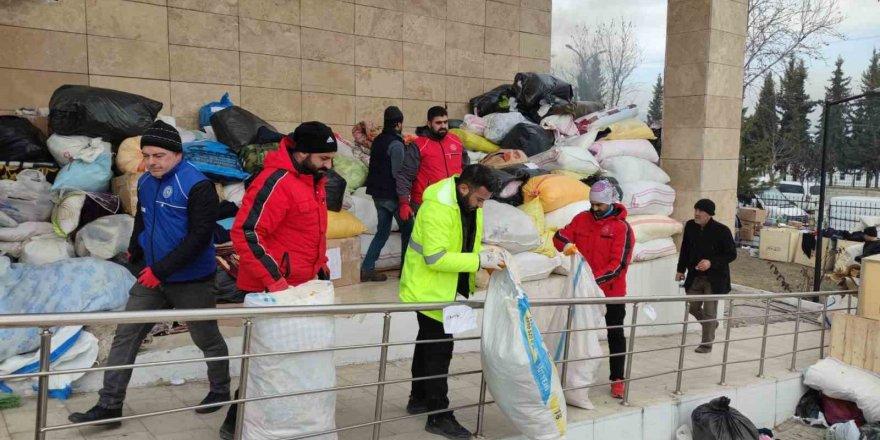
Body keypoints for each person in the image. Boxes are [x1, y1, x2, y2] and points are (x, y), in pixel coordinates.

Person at [69, 120, 230, 427]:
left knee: (206, 337)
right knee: (125, 336)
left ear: (177, 154)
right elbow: (141, 220)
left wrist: (160, 270)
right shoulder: (144, 182)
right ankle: (109, 406)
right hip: (152, 277)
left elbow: (199, 238)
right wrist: (136, 251)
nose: (152, 161)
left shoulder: (198, 186)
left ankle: (220, 390)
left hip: (191, 279)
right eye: (147, 155)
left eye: (159, 155)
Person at [219, 121, 337, 439]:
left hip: (300, 287)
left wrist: (321, 267)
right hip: (272, 289)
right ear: (301, 153)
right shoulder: (276, 180)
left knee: (280, 365)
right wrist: (275, 280)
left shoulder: (313, 181)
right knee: (264, 362)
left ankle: (269, 417)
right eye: (323, 158)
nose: (329, 165)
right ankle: (237, 422)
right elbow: (246, 232)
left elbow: (310, 232)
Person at [399, 164, 503, 439]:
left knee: (427, 344)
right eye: (479, 200)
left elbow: (465, 241)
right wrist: (479, 260)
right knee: (439, 351)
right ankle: (439, 415)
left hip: (441, 288)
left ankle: (418, 398)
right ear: (464, 187)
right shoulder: (439, 207)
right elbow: (435, 258)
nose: (481, 207)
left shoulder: (467, 204)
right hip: (429, 288)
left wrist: (482, 254)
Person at [553, 179, 634, 399]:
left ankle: (617, 379)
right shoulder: (582, 219)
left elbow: (618, 266)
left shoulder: (622, 228)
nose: (595, 209)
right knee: (574, 331)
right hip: (583, 290)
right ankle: (566, 375)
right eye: (592, 204)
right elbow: (559, 236)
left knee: (615, 333)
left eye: (599, 205)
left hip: (611, 291)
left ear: (610, 202)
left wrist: (591, 282)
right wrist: (566, 244)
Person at [361, 106, 415, 282]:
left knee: (382, 231)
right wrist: (404, 199)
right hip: (392, 196)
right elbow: (398, 173)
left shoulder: (378, 141)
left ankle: (367, 268)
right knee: (409, 229)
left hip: (377, 195)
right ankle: (406, 271)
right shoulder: (396, 144)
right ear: (399, 124)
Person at [676, 199, 737, 354]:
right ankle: (711, 324)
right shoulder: (690, 226)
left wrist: (711, 262)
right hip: (695, 276)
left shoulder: (722, 231)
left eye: (700, 211)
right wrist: (680, 269)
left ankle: (706, 344)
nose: (696, 213)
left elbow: (731, 254)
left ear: (709, 214)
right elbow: (685, 249)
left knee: (710, 311)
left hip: (714, 279)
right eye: (695, 209)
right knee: (692, 307)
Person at [398, 106, 469, 212]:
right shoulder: (419, 145)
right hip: (426, 204)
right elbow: (405, 176)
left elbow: (466, 170)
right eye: (438, 123)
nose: (443, 126)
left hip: (453, 202)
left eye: (445, 122)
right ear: (429, 124)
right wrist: (404, 203)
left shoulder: (456, 141)